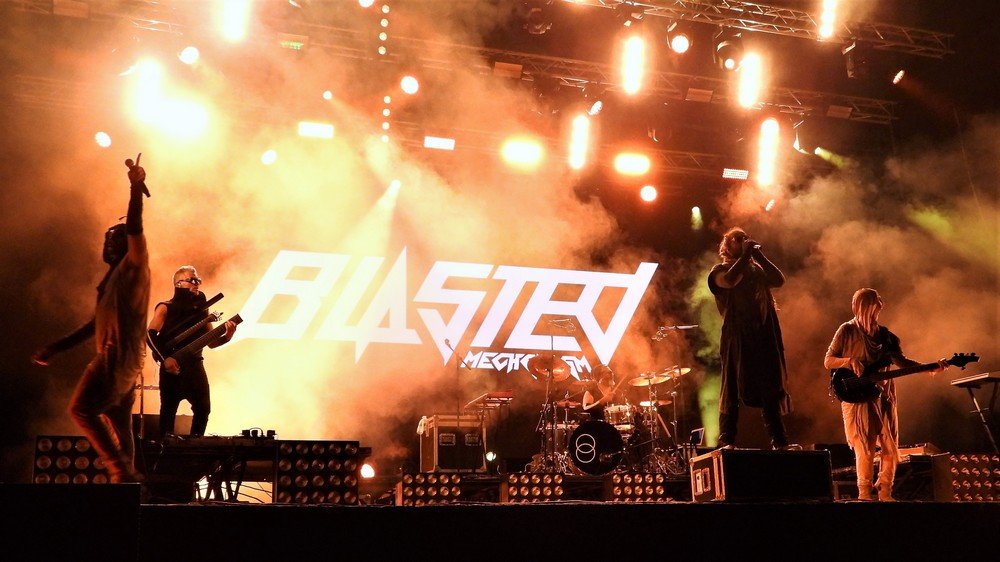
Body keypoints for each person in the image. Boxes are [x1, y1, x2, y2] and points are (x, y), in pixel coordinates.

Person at [32, 154, 151, 483]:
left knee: (81, 408)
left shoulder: (134, 266)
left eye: (116, 239)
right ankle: (127, 486)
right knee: (120, 427)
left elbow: (136, 227)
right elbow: (93, 325)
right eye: (109, 239)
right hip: (123, 360)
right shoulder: (112, 281)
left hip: (119, 358)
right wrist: (56, 347)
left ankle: (121, 472)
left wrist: (135, 189)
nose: (109, 244)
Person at [824, 288, 948, 501]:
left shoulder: (885, 336)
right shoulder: (847, 330)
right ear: (861, 307)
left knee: (890, 446)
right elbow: (828, 361)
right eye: (872, 309)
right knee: (865, 445)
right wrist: (849, 361)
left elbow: (902, 362)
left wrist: (930, 367)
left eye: (877, 309)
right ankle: (864, 493)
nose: (876, 313)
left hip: (883, 394)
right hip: (858, 396)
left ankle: (885, 492)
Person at [707, 227, 792, 449]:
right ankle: (727, 440)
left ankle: (779, 441)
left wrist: (758, 255)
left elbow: (779, 280)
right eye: (738, 239)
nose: (744, 240)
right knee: (731, 388)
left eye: (745, 238)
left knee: (769, 389)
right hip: (737, 338)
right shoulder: (719, 271)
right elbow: (729, 280)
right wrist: (746, 255)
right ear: (727, 246)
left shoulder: (756, 270)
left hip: (763, 336)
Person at [146, 266, 236, 438]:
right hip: (172, 369)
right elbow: (150, 335)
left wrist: (227, 336)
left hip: (195, 367)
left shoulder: (202, 310)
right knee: (168, 412)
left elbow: (211, 342)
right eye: (192, 280)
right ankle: (166, 448)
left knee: (203, 409)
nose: (197, 284)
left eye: (198, 280)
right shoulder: (165, 307)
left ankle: (196, 444)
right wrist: (165, 359)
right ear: (179, 284)